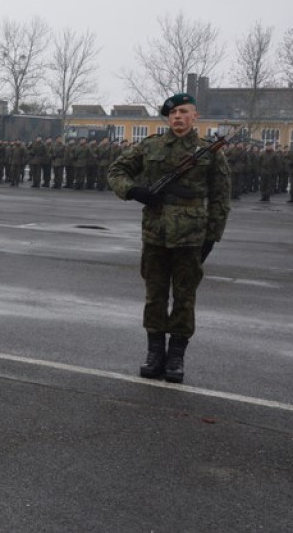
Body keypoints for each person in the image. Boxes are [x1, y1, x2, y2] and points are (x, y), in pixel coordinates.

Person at [107, 93, 231, 383]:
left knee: (185, 299)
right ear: (168, 117)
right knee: (155, 297)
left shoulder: (210, 152)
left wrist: (211, 237)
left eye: (184, 112)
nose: (178, 117)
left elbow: (220, 199)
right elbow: (117, 171)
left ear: (195, 116)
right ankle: (154, 354)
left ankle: (176, 357)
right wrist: (135, 191)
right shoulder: (151, 146)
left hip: (191, 237)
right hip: (155, 234)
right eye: (173, 112)